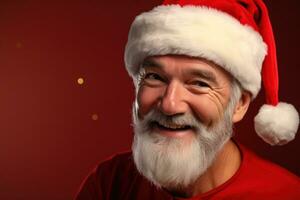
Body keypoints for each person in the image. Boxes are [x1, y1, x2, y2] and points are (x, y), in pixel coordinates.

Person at [75, 0, 300, 199]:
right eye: (154, 77)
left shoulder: (286, 194)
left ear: (240, 104)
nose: (170, 104)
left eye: (199, 83)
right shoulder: (109, 182)